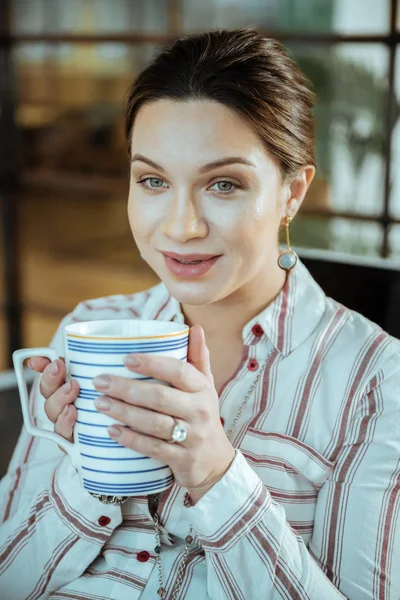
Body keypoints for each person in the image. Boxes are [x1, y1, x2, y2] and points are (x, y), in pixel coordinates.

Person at [0, 26, 399, 600]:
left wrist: (215, 471)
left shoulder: (376, 381)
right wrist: (89, 472)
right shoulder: (86, 327)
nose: (181, 226)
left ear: (293, 192)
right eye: (153, 180)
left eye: (224, 184)